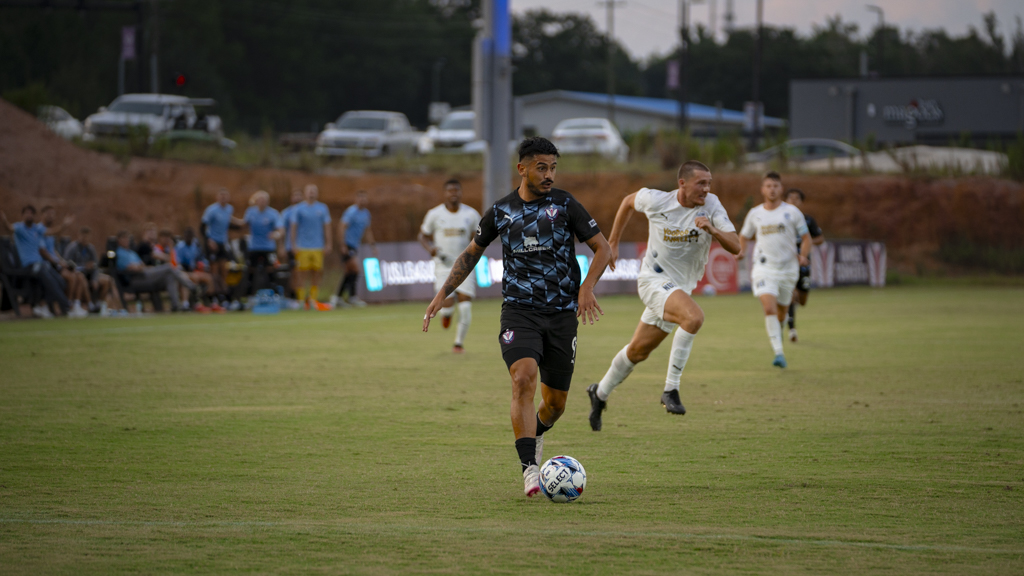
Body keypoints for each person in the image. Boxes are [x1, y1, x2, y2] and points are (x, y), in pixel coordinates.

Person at [422, 137, 611, 497]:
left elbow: (603, 248)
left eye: (553, 167)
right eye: (542, 167)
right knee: (522, 377)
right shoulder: (500, 211)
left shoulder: (565, 204)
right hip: (519, 312)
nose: (549, 175)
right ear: (522, 168)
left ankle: (536, 432)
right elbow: (471, 254)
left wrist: (587, 287)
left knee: (555, 405)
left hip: (561, 315)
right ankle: (529, 468)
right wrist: (442, 293)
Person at [586, 161, 740, 431]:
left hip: (678, 290)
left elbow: (736, 246)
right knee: (694, 318)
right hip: (653, 280)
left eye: (709, 183)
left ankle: (599, 393)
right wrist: (613, 242)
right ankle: (671, 390)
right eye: (700, 183)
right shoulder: (656, 200)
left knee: (638, 351)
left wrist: (713, 231)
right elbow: (627, 202)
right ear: (682, 183)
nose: (706, 189)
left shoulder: (712, 206)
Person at [737, 172, 812, 368]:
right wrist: (742, 251)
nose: (772, 189)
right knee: (768, 307)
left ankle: (778, 333)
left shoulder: (793, 212)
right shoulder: (755, 213)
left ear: (781, 189)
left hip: (788, 270)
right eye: (768, 185)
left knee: (781, 313)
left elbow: (806, 238)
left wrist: (803, 255)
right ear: (763, 189)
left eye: (775, 186)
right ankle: (779, 353)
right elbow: (744, 236)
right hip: (763, 267)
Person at [417, 179, 481, 353]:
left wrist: (472, 254)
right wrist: (430, 249)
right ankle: (446, 315)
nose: (454, 193)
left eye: (456, 190)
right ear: (445, 193)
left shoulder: (471, 214)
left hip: (465, 265)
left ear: (461, 193)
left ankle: (458, 344)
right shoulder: (434, 214)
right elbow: (422, 235)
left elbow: (479, 238)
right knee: (447, 305)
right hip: (443, 265)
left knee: (466, 305)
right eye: (450, 190)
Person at [0, 205, 72, 317]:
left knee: (60, 281)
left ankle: (47, 307)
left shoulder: (36, 229)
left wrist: (64, 225)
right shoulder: (19, 228)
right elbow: (9, 228)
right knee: (46, 275)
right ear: (22, 215)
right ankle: (66, 306)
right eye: (26, 213)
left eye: (31, 213)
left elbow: (52, 232)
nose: (29, 215)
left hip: (40, 264)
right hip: (28, 266)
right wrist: (3, 219)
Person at [114, 230, 197, 312]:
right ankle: (192, 286)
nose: (126, 240)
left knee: (170, 276)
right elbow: (131, 268)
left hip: (145, 273)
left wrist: (139, 266)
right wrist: (138, 266)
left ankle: (175, 306)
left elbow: (141, 264)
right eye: (123, 238)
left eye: (127, 238)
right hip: (136, 278)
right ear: (119, 240)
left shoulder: (132, 252)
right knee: (169, 267)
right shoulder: (120, 253)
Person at [783, 188, 825, 343]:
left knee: (802, 299)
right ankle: (792, 330)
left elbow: (820, 238)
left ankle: (789, 312)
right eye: (790, 198)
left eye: (797, 198)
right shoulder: (780, 219)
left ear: (801, 202)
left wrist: (807, 242)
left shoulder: (807, 220)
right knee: (791, 295)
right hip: (786, 262)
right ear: (786, 200)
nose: (793, 200)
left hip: (804, 263)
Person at [39, 206, 91, 317]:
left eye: (52, 214)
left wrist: (62, 261)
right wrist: (57, 262)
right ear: (41, 215)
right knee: (71, 277)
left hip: (55, 263)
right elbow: (43, 252)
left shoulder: (50, 232)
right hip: (47, 265)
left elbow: (52, 250)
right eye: (48, 214)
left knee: (80, 276)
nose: (51, 216)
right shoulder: (39, 230)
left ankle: (76, 305)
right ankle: (67, 307)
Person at [288, 184, 333, 310]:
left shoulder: (322, 208)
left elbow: (327, 226)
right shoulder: (298, 208)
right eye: (309, 191)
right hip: (302, 246)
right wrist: (293, 244)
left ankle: (313, 299)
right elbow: (293, 227)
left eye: (314, 191)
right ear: (305, 193)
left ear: (317, 194)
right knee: (301, 273)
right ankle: (301, 300)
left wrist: (328, 243)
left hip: (318, 246)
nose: (311, 193)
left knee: (317, 272)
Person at [63, 226, 124, 315]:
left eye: (87, 236)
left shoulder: (90, 248)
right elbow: (67, 264)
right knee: (81, 277)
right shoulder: (72, 248)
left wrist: (95, 279)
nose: (85, 239)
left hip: (90, 275)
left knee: (108, 280)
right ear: (79, 236)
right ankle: (89, 305)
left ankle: (100, 305)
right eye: (83, 236)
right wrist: (84, 267)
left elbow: (96, 266)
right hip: (77, 274)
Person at [333, 190, 377, 308]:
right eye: (360, 198)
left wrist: (372, 245)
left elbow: (367, 231)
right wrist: (342, 245)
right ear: (356, 199)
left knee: (349, 272)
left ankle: (338, 297)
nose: (362, 200)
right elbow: (341, 227)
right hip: (348, 244)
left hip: (355, 245)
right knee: (355, 269)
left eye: (364, 198)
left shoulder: (366, 214)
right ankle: (352, 297)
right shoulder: (351, 212)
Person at [201, 188, 245, 306]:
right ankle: (213, 294)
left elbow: (228, 222)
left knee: (224, 269)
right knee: (214, 270)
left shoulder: (229, 209)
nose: (223, 198)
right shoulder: (211, 210)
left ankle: (223, 294)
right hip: (213, 242)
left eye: (225, 195)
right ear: (217, 197)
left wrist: (242, 223)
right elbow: (203, 227)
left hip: (223, 242)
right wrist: (209, 241)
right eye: (221, 195)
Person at [243, 190, 284, 292]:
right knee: (250, 269)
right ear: (256, 201)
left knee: (273, 268)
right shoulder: (250, 211)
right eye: (260, 199)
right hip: (253, 247)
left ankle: (273, 292)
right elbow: (243, 224)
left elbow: (281, 230)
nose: (262, 202)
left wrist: (276, 234)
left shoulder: (273, 213)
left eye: (265, 200)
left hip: (269, 247)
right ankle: (249, 294)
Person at [175, 227, 221, 312]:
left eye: (190, 236)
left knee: (209, 278)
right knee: (194, 278)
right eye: (187, 236)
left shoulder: (195, 246)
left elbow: (201, 259)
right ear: (184, 237)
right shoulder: (180, 247)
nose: (189, 238)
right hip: (184, 272)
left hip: (194, 271)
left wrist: (203, 265)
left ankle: (210, 301)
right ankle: (192, 303)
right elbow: (178, 264)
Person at [280, 188, 304, 300]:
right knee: (293, 272)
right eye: (295, 195)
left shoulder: (305, 211)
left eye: (299, 195)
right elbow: (282, 231)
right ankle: (292, 296)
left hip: (305, 247)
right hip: (291, 247)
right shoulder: (286, 213)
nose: (297, 198)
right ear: (291, 198)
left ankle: (302, 295)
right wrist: (282, 246)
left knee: (303, 272)